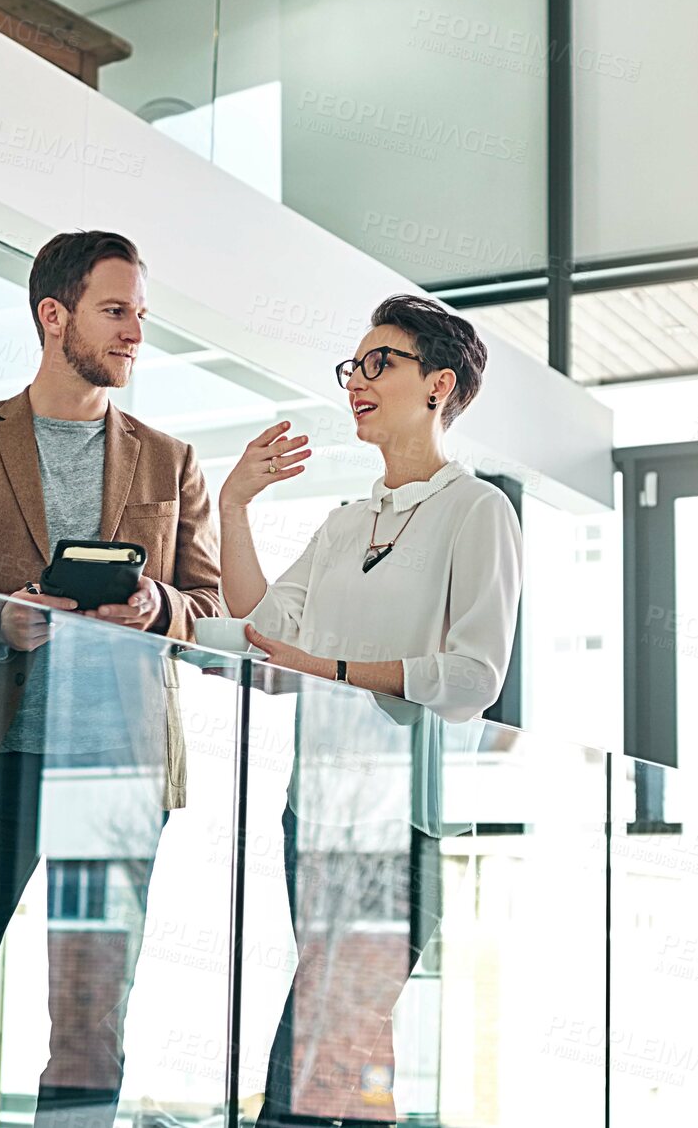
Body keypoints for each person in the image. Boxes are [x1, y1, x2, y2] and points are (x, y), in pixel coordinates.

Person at [0, 229, 223, 1128]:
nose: (134, 332)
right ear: (52, 314)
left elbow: (208, 611)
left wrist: (156, 608)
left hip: (114, 772)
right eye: (115, 311)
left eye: (140, 314)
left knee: (91, 1024)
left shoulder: (171, 458)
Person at [217, 294, 523, 1124]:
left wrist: (333, 668)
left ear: (438, 385)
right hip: (311, 811)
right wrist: (233, 507)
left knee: (325, 1043)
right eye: (353, 365)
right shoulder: (347, 523)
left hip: (400, 820)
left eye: (379, 362)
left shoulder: (476, 510)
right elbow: (258, 629)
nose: (357, 379)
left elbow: (472, 678)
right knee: (346, 1051)